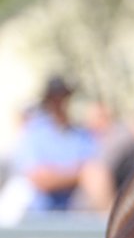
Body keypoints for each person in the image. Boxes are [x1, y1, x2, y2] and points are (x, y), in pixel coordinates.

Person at [2, 75, 101, 215]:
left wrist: (63, 174)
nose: (59, 102)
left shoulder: (81, 135)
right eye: (55, 97)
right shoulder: (34, 134)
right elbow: (40, 178)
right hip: (41, 218)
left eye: (63, 97)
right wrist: (79, 175)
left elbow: (96, 170)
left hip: (75, 214)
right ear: (47, 100)